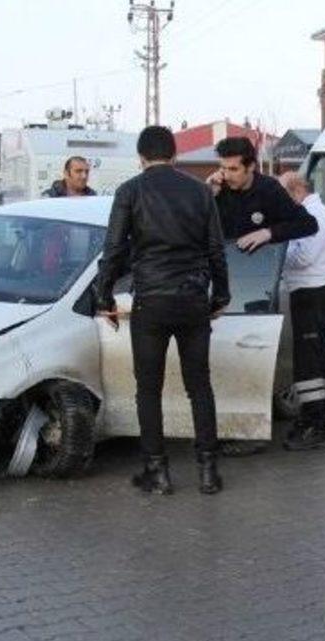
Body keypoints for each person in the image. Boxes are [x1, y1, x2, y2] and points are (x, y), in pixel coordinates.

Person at [93, 126, 230, 496]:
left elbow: (113, 250)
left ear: (141, 157)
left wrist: (103, 296)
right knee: (199, 386)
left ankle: (157, 471)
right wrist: (221, 295)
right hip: (193, 300)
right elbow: (216, 249)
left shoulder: (130, 191)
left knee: (148, 390)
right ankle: (208, 472)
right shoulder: (200, 191)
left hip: (151, 301)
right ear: (174, 155)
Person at [206, 137, 317, 458]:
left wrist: (269, 233)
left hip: (257, 291)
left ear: (251, 166)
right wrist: (207, 195)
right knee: (220, 361)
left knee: (249, 360)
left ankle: (250, 432)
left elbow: (306, 223)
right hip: (220, 288)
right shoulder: (217, 191)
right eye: (223, 168)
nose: (227, 175)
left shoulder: (269, 191)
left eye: (234, 169)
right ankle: (223, 426)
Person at [276, 172, 325, 451]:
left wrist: (277, 249)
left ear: (295, 191)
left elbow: (303, 256)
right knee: (313, 359)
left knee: (309, 362)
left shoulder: (313, 215)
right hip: (310, 292)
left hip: (312, 292)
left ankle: (315, 424)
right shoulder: (312, 212)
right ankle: (316, 415)